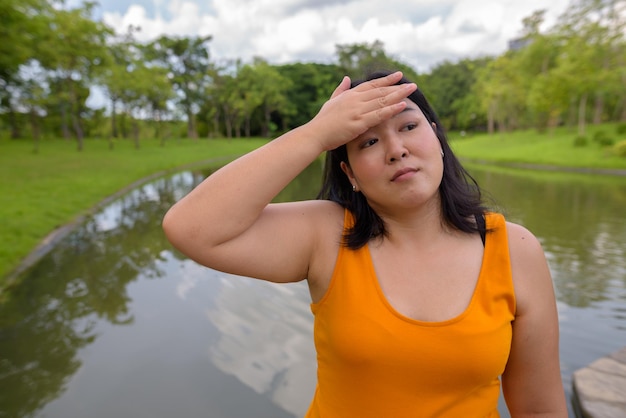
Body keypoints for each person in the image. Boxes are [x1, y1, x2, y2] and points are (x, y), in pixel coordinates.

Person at [162, 70, 567, 417]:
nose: (397, 150)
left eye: (409, 126)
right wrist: (316, 133)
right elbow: (192, 228)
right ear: (350, 173)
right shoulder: (326, 235)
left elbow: (539, 409)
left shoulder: (514, 249)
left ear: (438, 137)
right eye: (367, 142)